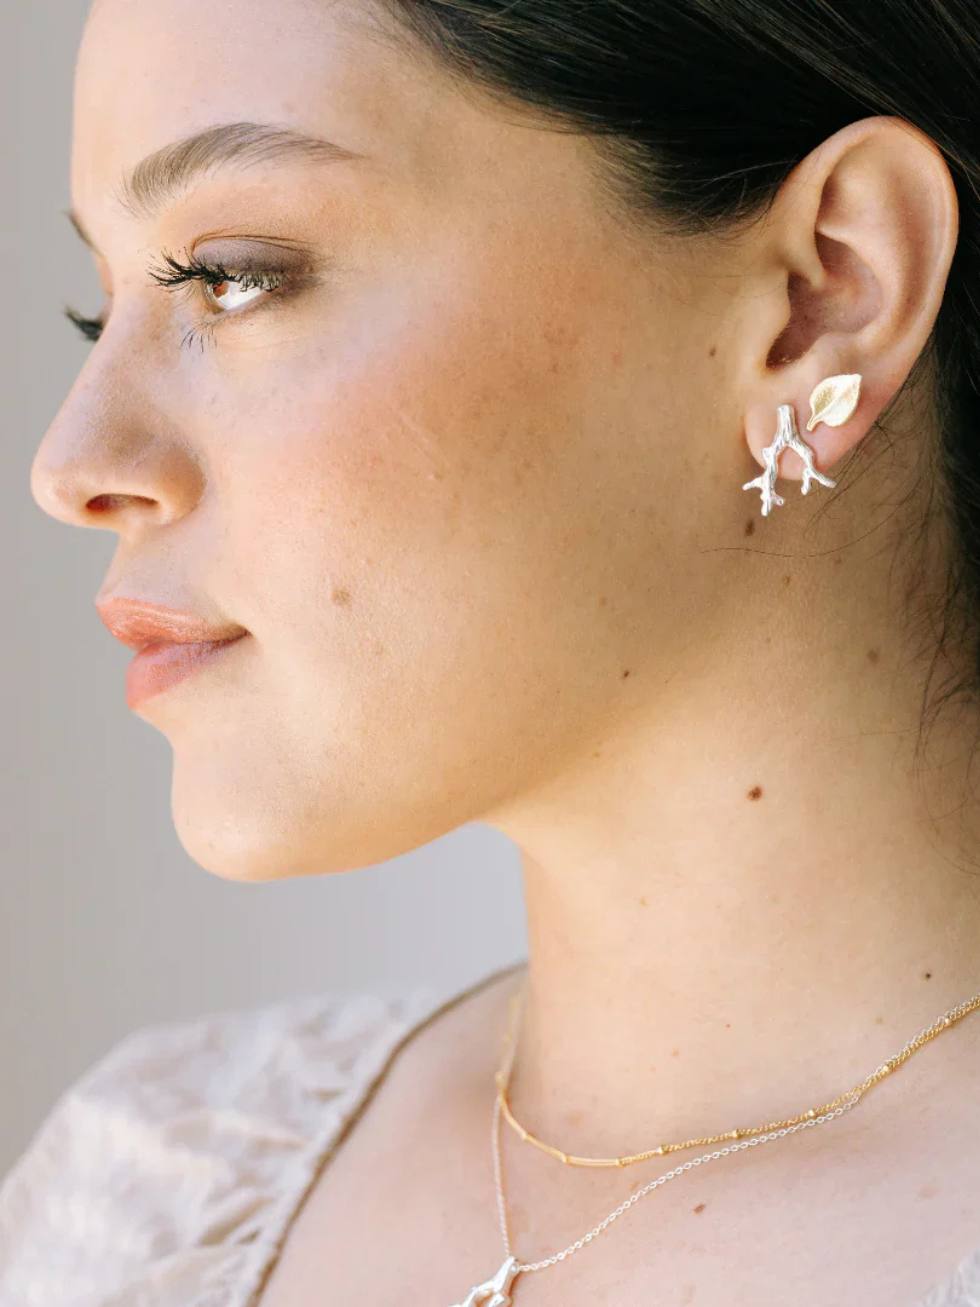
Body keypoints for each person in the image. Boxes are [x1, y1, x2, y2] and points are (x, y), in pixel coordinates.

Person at [3, 0, 980, 1301]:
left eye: (234, 273)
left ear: (823, 296)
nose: (71, 466)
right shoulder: (137, 1197)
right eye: (101, 308)